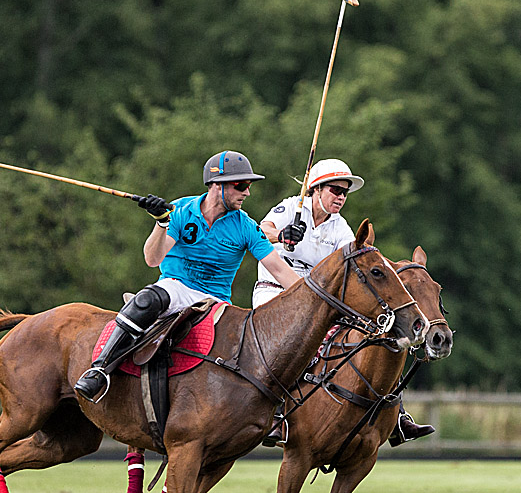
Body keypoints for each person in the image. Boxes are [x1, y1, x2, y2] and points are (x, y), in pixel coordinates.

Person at [74, 150, 302, 401]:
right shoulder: (181, 210)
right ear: (217, 185)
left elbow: (279, 269)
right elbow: (153, 259)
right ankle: (100, 369)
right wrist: (161, 223)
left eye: (248, 186)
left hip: (215, 301)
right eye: (241, 185)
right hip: (177, 286)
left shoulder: (246, 226)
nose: (247, 192)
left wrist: (311, 299)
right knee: (146, 299)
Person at [252, 158, 435, 447]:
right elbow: (262, 229)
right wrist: (283, 235)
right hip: (275, 290)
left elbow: (360, 257)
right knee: (290, 345)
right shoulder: (292, 207)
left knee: (374, 334)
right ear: (316, 189)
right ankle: (277, 415)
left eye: (344, 192)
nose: (340, 197)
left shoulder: (340, 228)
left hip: (318, 300)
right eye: (335, 190)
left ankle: (396, 413)